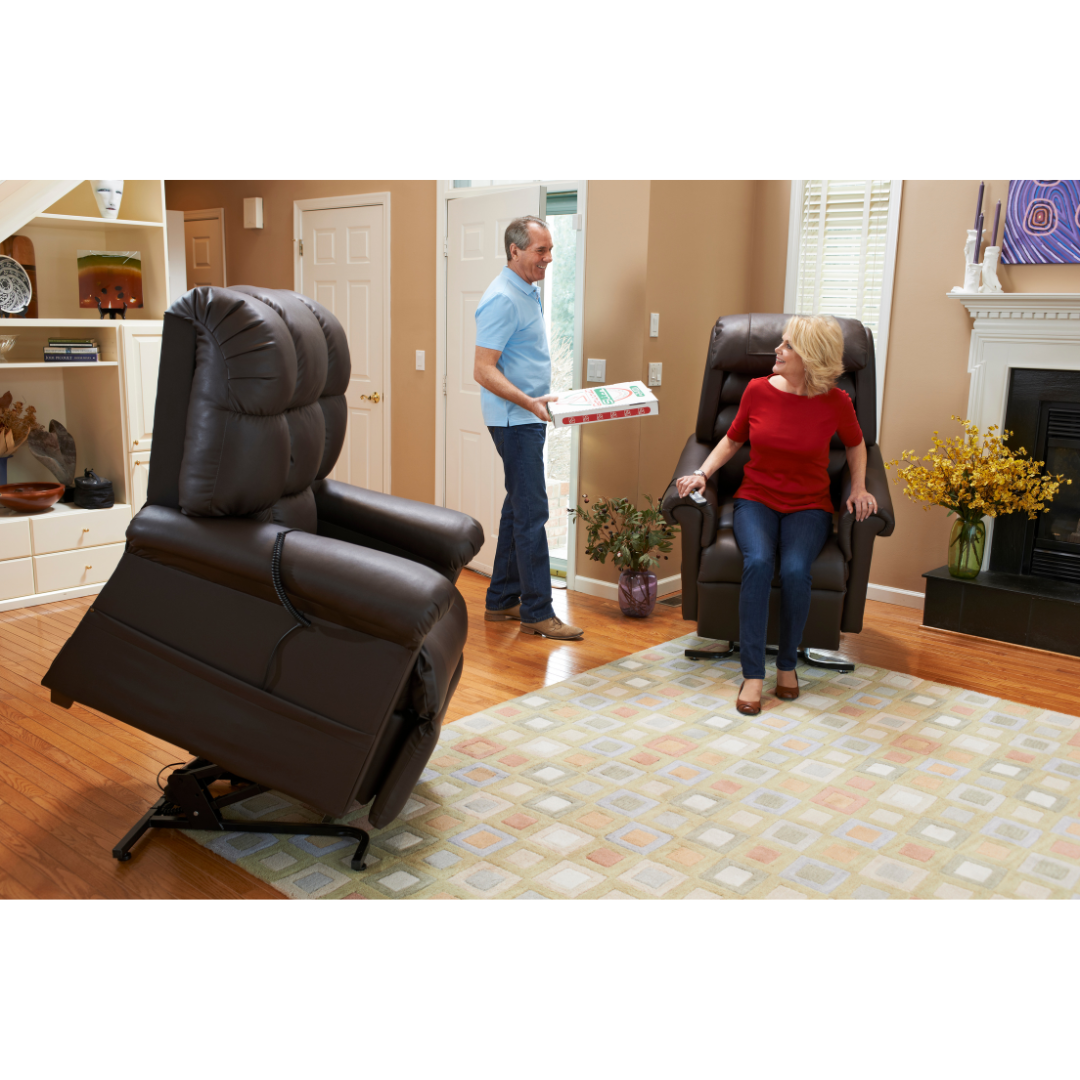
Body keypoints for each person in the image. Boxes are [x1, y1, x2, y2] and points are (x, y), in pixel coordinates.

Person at [675, 314, 877, 715]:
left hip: (809, 507)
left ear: (811, 357)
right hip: (756, 500)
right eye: (780, 343)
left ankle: (787, 665)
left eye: (787, 346)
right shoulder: (756, 390)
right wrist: (702, 473)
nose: (777, 351)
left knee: (796, 570)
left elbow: (856, 445)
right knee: (759, 562)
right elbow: (731, 441)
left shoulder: (837, 401)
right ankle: (753, 674)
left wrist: (858, 487)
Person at [473, 215, 583, 641]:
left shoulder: (527, 290)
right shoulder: (502, 297)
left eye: (550, 249)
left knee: (518, 507)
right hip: (515, 419)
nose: (549, 258)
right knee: (532, 512)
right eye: (541, 250)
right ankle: (538, 611)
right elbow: (483, 370)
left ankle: (501, 599)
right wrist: (529, 402)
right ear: (515, 250)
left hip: (528, 416)